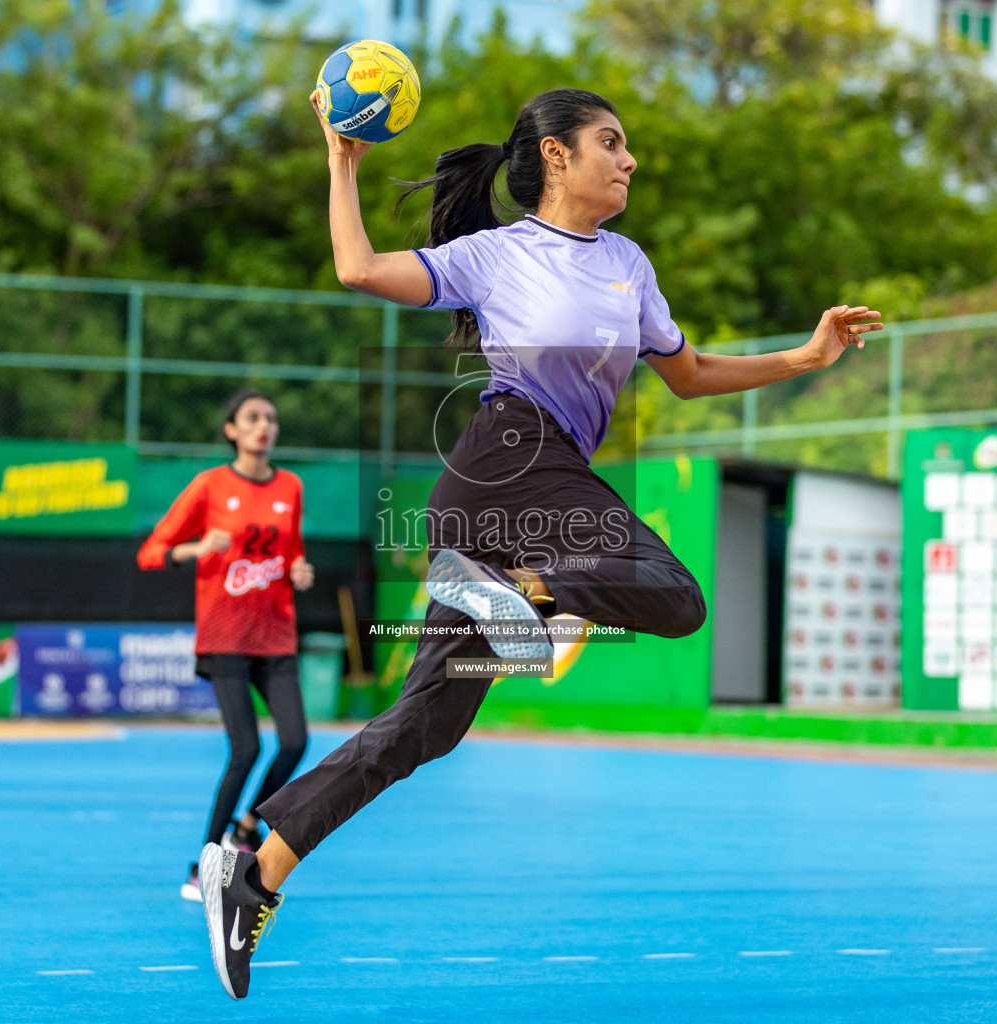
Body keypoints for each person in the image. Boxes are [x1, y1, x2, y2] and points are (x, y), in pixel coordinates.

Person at [196, 88, 882, 1000]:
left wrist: (803, 357)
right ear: (555, 156)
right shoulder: (496, 255)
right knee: (674, 597)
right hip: (512, 463)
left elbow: (690, 374)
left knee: (424, 729)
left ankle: (253, 869)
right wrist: (343, 162)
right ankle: (520, 590)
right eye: (612, 143)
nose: (629, 160)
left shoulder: (628, 265)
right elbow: (358, 268)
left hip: (510, 502)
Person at [137, 389, 314, 903]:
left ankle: (246, 830)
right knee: (246, 748)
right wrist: (196, 547)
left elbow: (292, 552)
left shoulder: (291, 486)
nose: (264, 426)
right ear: (232, 430)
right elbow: (151, 553)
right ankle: (204, 865)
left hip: (275, 632)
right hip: (226, 635)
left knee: (296, 742)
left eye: (271, 419)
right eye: (252, 418)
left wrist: (299, 570)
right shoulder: (209, 485)